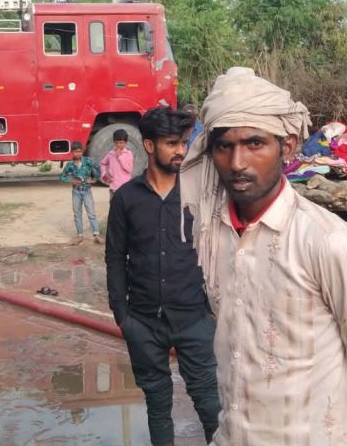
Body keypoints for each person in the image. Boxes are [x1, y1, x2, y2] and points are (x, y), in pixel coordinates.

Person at [180, 67, 347, 445]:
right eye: (224, 146)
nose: (237, 162)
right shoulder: (213, 236)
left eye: (254, 143)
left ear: (288, 147)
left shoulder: (330, 242)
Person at [105, 107, 219, 446]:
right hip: (143, 323)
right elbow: (115, 258)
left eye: (183, 143)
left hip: (194, 319)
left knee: (210, 404)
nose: (181, 151)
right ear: (150, 146)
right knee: (157, 403)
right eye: (172, 143)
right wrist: (122, 315)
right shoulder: (126, 198)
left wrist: (211, 312)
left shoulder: (197, 196)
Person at [60, 141, 102, 245]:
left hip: (87, 190)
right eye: (75, 152)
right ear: (72, 152)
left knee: (91, 213)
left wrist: (95, 179)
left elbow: (98, 167)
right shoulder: (70, 165)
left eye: (80, 151)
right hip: (76, 191)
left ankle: (96, 235)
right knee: (77, 213)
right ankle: (80, 236)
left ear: (82, 151)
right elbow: (62, 177)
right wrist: (71, 181)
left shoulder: (87, 161)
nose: (78, 154)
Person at [99, 128, 134, 196]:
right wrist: (104, 174)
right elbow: (103, 164)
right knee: (113, 202)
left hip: (125, 187)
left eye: (121, 142)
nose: (118, 145)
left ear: (125, 142)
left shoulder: (128, 154)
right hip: (113, 187)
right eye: (116, 142)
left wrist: (120, 157)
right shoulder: (111, 153)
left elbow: (129, 170)